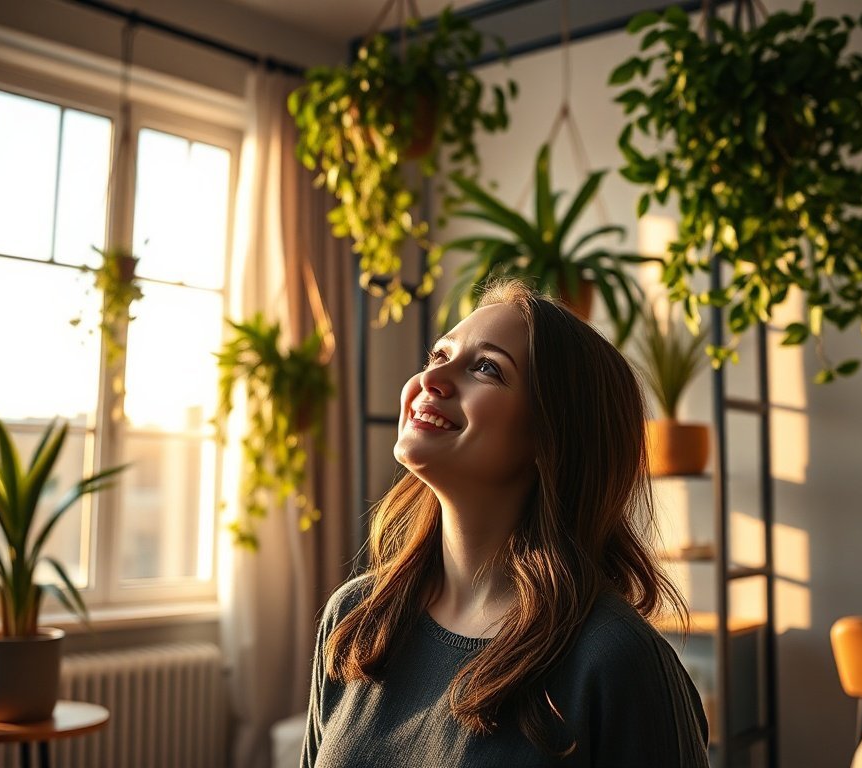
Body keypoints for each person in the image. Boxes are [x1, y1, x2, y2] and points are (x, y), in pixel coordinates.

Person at [301, 280, 710, 767]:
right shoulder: (356, 619)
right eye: (438, 355)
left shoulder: (614, 659)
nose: (433, 378)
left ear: (551, 436)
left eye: (486, 368)